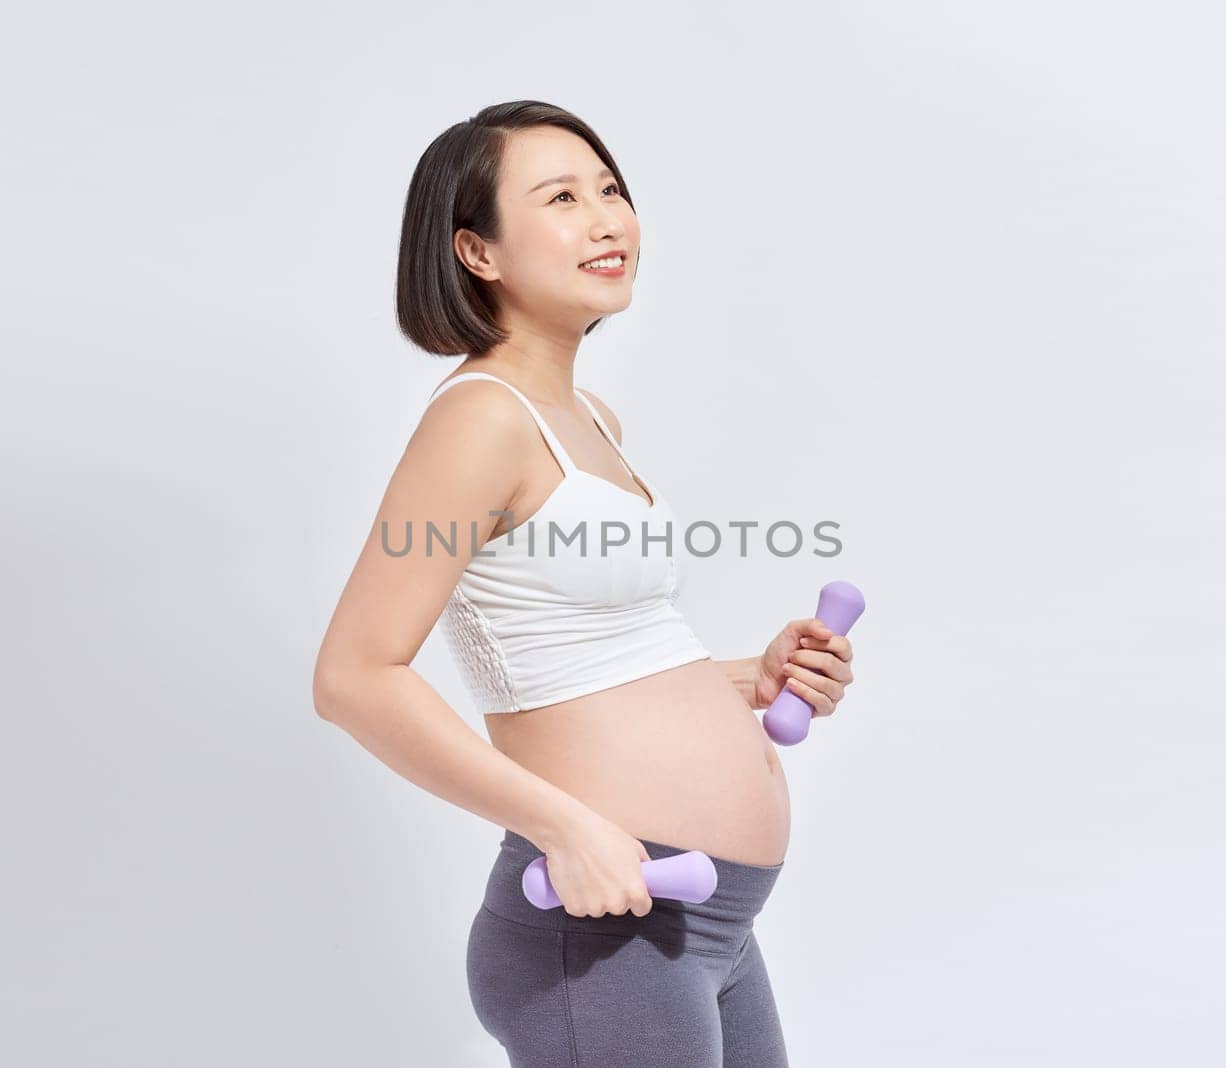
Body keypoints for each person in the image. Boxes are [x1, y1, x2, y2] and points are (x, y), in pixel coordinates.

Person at [312, 100, 856, 1067]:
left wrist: (743, 680)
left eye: (610, 189)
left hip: (709, 922)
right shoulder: (480, 419)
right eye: (562, 197)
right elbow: (355, 674)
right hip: (603, 924)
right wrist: (561, 823)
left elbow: (577, 653)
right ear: (478, 252)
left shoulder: (587, 415)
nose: (608, 218)